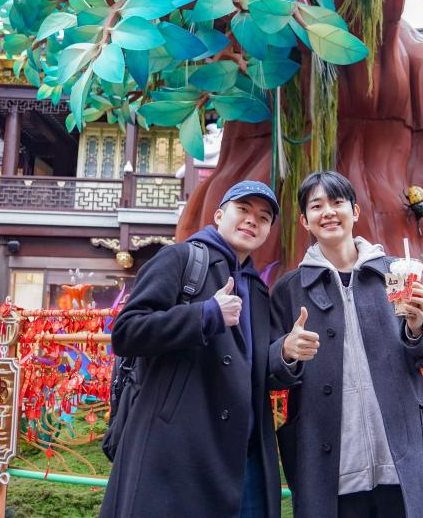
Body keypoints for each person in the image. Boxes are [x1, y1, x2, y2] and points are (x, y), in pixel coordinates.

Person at [269, 171, 423, 518]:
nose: (328, 212)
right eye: (316, 206)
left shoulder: (397, 273)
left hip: (402, 459)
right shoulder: (289, 290)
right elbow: (270, 371)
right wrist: (286, 352)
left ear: (355, 212)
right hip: (331, 470)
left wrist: (417, 326)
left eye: (337, 202)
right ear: (305, 220)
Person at [100, 180, 286, 518]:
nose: (252, 220)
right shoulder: (182, 258)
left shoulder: (258, 291)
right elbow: (126, 332)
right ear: (219, 215)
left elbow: (260, 371)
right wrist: (206, 315)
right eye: (243, 209)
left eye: (263, 217)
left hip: (243, 459)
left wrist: (288, 353)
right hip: (176, 454)